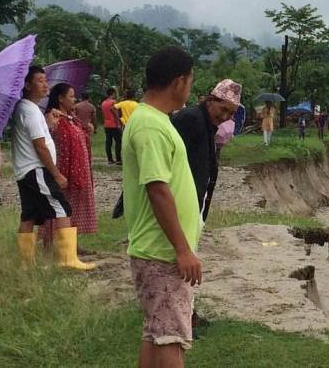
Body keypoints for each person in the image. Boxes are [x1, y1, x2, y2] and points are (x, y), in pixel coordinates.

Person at [122, 46, 201, 366]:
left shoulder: (154, 120)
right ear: (179, 82)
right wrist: (182, 250)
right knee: (171, 337)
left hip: (158, 249)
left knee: (157, 331)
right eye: (191, 81)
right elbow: (158, 190)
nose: (190, 88)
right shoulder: (151, 126)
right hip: (162, 251)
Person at [13, 65, 95, 270]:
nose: (45, 84)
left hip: (25, 169)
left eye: (45, 80)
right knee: (62, 208)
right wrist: (56, 173)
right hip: (36, 168)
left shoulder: (26, 108)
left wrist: (49, 123)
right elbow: (40, 146)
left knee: (29, 215)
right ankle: (66, 259)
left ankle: (26, 264)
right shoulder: (30, 111)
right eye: (40, 80)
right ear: (27, 84)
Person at [171, 79, 240, 223]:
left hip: (193, 199)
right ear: (210, 101)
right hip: (178, 199)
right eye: (223, 109)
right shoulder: (191, 119)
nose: (225, 117)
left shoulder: (207, 123)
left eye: (231, 113)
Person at [38, 83, 98, 248]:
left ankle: (72, 245)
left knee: (74, 207)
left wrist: (88, 129)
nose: (74, 99)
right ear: (60, 98)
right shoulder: (52, 116)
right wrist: (52, 124)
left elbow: (80, 137)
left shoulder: (71, 118)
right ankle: (48, 246)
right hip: (62, 170)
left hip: (78, 169)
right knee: (57, 207)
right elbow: (47, 138)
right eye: (71, 96)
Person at [101, 88, 123, 164]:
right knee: (118, 142)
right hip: (114, 125)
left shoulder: (103, 103)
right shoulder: (113, 102)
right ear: (113, 93)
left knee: (108, 142)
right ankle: (118, 159)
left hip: (106, 124)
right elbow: (116, 114)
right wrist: (119, 123)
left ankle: (110, 159)